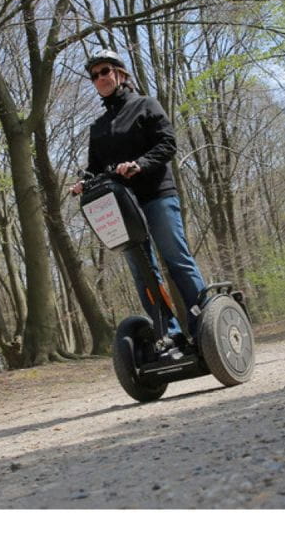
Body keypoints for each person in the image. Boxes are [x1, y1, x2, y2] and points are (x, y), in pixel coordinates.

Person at [71, 49, 206, 355]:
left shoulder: (145, 105)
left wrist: (140, 164)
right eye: (94, 76)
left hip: (156, 194)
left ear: (120, 73)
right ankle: (169, 333)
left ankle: (202, 322)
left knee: (176, 259)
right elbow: (94, 167)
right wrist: (83, 182)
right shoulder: (98, 127)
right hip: (122, 207)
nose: (100, 79)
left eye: (104, 71)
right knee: (144, 271)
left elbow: (167, 142)